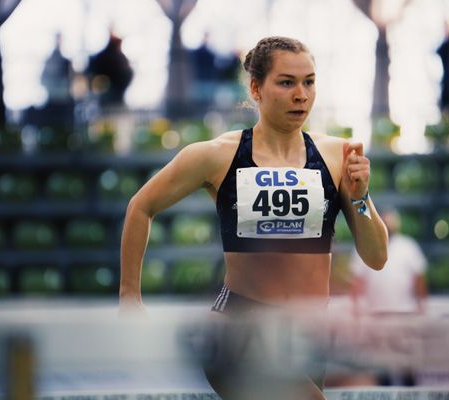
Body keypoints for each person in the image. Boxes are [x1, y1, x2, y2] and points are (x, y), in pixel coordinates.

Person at [119, 36, 388, 400]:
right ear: (256, 88)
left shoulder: (338, 155)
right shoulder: (215, 155)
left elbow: (376, 258)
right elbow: (141, 206)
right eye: (287, 82)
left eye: (309, 82)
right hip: (239, 329)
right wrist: (129, 295)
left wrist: (360, 198)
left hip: (308, 333)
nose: (301, 95)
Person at [349, 208, 427, 316]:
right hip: (374, 313)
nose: (387, 225)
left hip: (406, 311)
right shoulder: (364, 246)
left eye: (390, 222)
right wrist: (356, 308)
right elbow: (358, 280)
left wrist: (422, 306)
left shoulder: (408, 246)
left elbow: (418, 278)